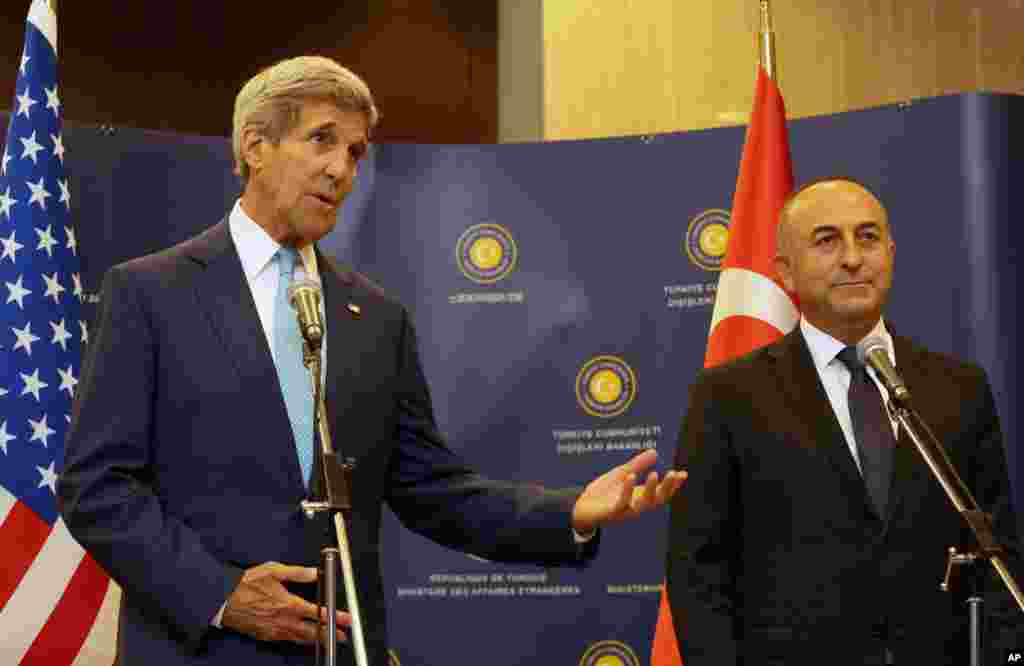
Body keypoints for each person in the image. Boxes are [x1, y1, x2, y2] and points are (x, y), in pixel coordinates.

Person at [57, 56, 685, 666]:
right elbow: (97, 485)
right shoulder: (151, 292)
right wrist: (221, 594)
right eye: (322, 140)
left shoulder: (376, 316)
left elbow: (430, 488)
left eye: (355, 151)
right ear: (254, 146)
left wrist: (569, 512)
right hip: (200, 647)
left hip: (341, 648)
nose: (342, 169)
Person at [666, 177, 1022, 665]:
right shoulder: (727, 395)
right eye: (827, 240)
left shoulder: (959, 387)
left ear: (891, 254)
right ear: (785, 273)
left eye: (868, 237)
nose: (853, 257)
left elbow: (998, 552)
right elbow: (698, 574)